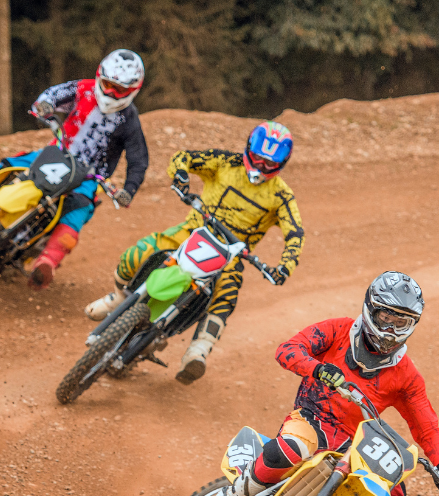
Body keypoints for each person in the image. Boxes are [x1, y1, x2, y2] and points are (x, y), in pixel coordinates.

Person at [193, 272, 439, 496]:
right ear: (370, 309)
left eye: (400, 322)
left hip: (353, 443)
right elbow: (289, 349)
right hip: (312, 418)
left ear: (412, 325)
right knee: (292, 448)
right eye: (386, 317)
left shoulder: (406, 374)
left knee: (389, 482)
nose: (390, 329)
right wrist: (317, 368)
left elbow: (426, 424)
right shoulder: (338, 331)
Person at [83, 121, 302, 384]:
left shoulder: (282, 196)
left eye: (270, 164)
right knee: (139, 252)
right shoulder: (224, 162)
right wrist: (180, 175)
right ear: (248, 150)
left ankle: (198, 351)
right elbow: (183, 157)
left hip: (231, 254)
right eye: (257, 158)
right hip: (193, 230)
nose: (261, 167)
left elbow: (295, 233)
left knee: (227, 293)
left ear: (282, 164)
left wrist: (284, 266)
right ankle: (118, 298)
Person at [0, 49, 149, 289]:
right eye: (107, 84)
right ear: (99, 76)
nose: (109, 92)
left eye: (119, 90)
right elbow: (56, 93)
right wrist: (45, 104)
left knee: (76, 215)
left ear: (133, 90)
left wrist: (129, 189)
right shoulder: (84, 89)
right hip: (55, 153)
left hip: (88, 176)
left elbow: (138, 159)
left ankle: (47, 261)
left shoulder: (129, 119)